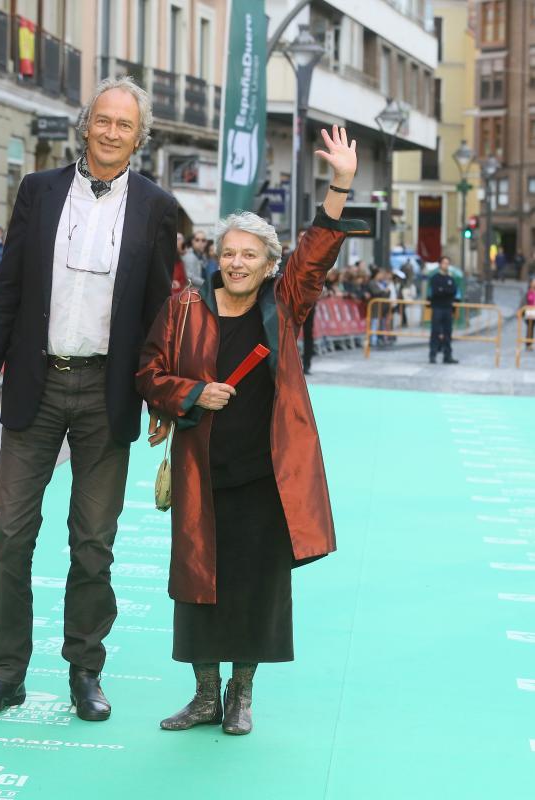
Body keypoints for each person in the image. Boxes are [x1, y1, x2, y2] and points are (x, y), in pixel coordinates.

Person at [137, 125, 364, 735]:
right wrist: (190, 392)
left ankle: (240, 694)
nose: (236, 263)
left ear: (269, 265)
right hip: (201, 471)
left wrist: (340, 184)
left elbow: (317, 252)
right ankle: (204, 694)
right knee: (198, 583)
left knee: (255, 588)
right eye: (228, 253)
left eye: (250, 256)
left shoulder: (283, 305)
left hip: (267, 473)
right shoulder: (185, 307)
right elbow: (148, 372)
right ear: (217, 256)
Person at [0, 75, 176, 722]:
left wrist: (162, 393)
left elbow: (160, 309)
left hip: (108, 391)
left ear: (140, 138)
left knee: (92, 542)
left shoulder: (156, 207)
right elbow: (9, 287)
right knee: (9, 534)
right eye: (103, 120)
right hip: (37, 380)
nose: (112, 132)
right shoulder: (38, 190)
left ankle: (85, 670)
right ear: (86, 125)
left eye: (125, 125)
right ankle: (5, 674)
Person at [428, 255, 459, 364]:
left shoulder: (450, 278)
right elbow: (436, 292)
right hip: (437, 307)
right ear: (440, 264)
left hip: (447, 308)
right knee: (435, 332)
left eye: (447, 263)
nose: (445, 265)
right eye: (444, 263)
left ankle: (447, 355)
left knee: (448, 332)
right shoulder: (435, 278)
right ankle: (433, 354)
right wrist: (445, 291)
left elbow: (453, 291)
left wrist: (444, 291)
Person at [523, 277, 535, 351]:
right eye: (533, 282)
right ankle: (528, 344)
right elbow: (524, 302)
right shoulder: (528, 292)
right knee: (530, 329)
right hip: (530, 312)